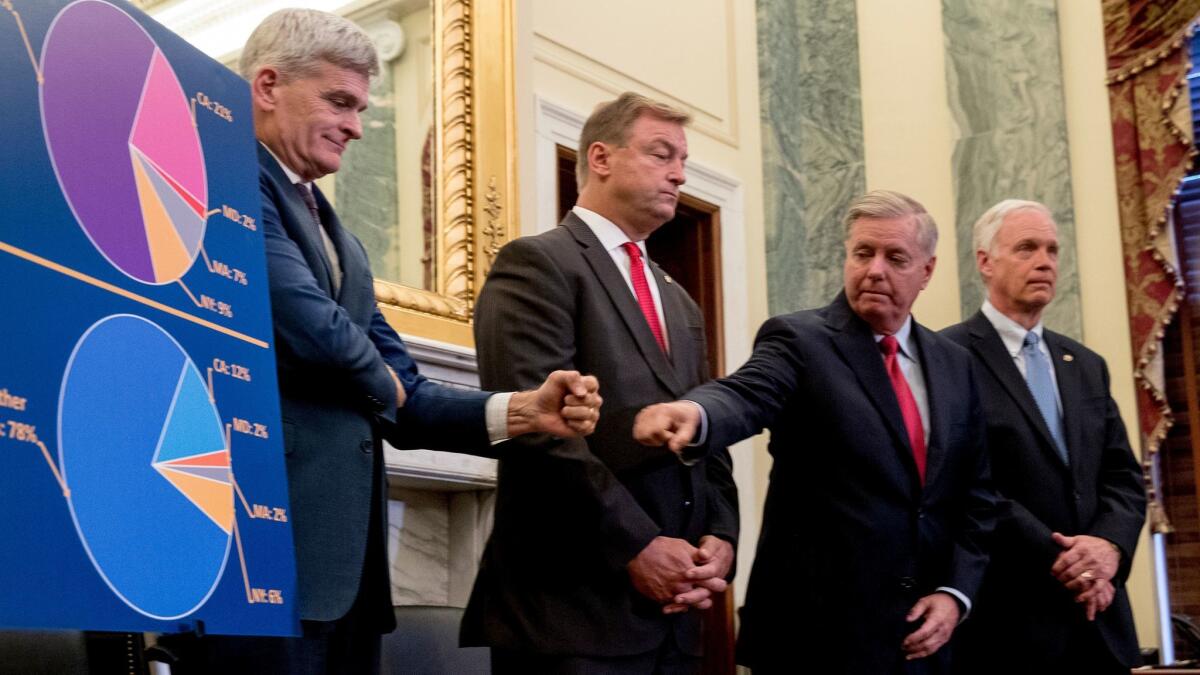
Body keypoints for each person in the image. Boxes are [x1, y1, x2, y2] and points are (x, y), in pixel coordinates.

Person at [172, 9, 602, 674]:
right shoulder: (220, 179)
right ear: (265, 85)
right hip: (257, 546)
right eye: (339, 101)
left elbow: (409, 393)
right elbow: (306, 320)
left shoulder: (342, 239)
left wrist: (522, 410)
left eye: (362, 107)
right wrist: (383, 380)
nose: (355, 126)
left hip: (346, 572)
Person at [634, 190, 998, 674]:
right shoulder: (800, 340)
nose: (874, 270)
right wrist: (698, 414)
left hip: (921, 645)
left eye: (895, 258)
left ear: (927, 271)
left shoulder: (956, 364)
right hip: (815, 641)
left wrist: (955, 594)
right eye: (863, 253)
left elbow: (977, 497)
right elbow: (747, 392)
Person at [462, 92, 740, 674]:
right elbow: (538, 432)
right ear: (601, 157)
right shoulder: (537, 264)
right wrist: (637, 545)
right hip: (570, 613)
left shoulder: (677, 297)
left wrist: (721, 537)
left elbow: (704, 426)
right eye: (661, 154)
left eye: (683, 160)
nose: (679, 173)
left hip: (674, 620)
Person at [941, 200, 1145, 675]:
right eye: (1027, 248)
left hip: (1100, 618)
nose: (1045, 261)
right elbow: (968, 483)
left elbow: (1122, 477)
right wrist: (1066, 560)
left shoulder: (1086, 364)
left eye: (1052, 249)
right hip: (1009, 621)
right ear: (985, 262)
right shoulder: (946, 356)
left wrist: (1108, 550)